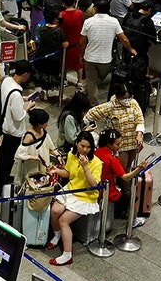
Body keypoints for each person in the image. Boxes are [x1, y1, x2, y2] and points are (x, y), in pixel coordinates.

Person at [46, 131, 102, 266]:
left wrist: (85, 167)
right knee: (54, 211)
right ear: (77, 143)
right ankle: (57, 234)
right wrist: (56, 171)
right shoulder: (72, 155)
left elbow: (94, 184)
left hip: (86, 196)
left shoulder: (96, 162)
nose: (85, 150)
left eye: (88, 147)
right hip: (71, 189)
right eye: (82, 146)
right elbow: (69, 174)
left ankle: (67, 254)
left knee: (63, 220)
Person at [80, 1, 138, 106]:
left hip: (90, 57)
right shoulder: (114, 21)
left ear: (96, 9)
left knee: (92, 81)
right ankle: (88, 93)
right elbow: (123, 39)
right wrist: (130, 49)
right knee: (99, 78)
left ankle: (93, 103)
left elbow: (82, 42)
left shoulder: (88, 22)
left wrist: (81, 55)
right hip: (105, 60)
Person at [0, 60, 37, 191]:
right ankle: (1, 186)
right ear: (25, 74)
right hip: (13, 131)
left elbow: (9, 97)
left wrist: (23, 98)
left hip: (5, 125)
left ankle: (2, 180)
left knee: (4, 157)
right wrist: (28, 106)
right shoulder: (16, 94)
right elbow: (19, 116)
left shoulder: (7, 81)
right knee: (7, 160)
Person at [85, 84, 145, 170]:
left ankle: (128, 181)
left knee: (128, 166)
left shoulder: (133, 103)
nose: (127, 100)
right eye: (124, 98)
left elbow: (140, 119)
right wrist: (90, 128)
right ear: (118, 97)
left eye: (129, 97)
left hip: (133, 140)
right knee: (122, 167)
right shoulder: (111, 106)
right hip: (120, 144)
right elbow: (91, 114)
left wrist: (139, 133)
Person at [96, 128, 149, 225]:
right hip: (110, 193)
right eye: (117, 144)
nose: (119, 147)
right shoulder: (112, 160)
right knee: (131, 194)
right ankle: (132, 220)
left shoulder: (97, 152)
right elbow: (126, 177)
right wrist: (139, 168)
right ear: (109, 144)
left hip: (98, 188)